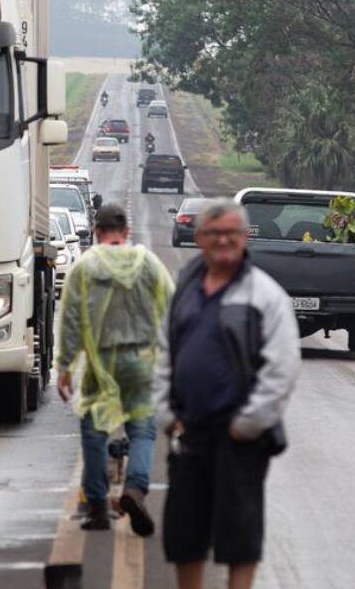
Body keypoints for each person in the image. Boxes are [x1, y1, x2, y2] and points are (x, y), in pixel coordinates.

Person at [154, 199, 301, 589]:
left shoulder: (265, 295)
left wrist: (248, 424)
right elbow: (164, 353)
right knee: (185, 536)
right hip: (190, 432)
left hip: (241, 439)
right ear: (199, 238)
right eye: (215, 233)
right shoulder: (185, 286)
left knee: (240, 540)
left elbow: (282, 367)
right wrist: (168, 416)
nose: (224, 241)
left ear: (244, 238)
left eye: (232, 233)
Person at [56, 203, 174, 534]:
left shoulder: (85, 266)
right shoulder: (147, 262)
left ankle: (96, 508)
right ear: (126, 232)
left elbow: (71, 320)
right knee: (142, 430)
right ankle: (134, 489)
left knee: (94, 435)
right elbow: (172, 309)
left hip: (99, 363)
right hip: (140, 362)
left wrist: (65, 366)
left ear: (96, 231)